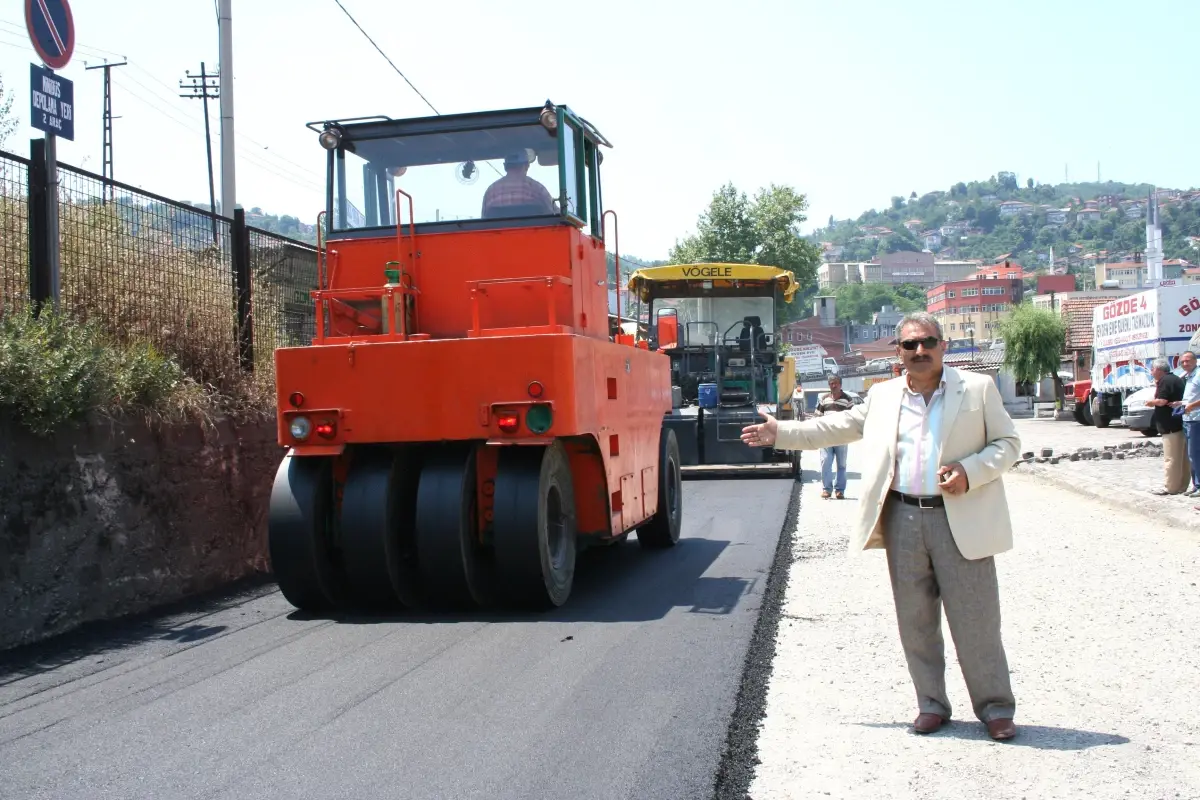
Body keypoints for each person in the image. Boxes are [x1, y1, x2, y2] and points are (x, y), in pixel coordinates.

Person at [740, 311, 1022, 742]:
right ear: (899, 352)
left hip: (960, 515)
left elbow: (1008, 444)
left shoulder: (977, 390)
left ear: (942, 346)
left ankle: (996, 709)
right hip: (904, 517)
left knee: (977, 619)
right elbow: (834, 427)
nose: (920, 351)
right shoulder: (884, 396)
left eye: (928, 342)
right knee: (915, 619)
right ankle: (931, 704)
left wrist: (971, 470)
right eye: (910, 345)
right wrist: (781, 432)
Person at [1147, 358, 1187, 495]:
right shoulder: (1176, 379)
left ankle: (1171, 487)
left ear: (1158, 369)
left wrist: (1151, 402)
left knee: (1171, 458)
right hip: (1180, 423)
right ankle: (1182, 486)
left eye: (1152, 369)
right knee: (1183, 458)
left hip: (1170, 425)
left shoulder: (1165, 381)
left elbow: (1162, 401)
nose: (1151, 372)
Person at [480, 151, 555, 218]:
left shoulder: (490, 191)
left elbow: (483, 221)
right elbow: (555, 214)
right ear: (527, 166)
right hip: (532, 233)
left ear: (505, 166)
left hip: (497, 233)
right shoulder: (537, 188)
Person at [815, 376, 854, 499]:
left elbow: (852, 418)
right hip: (826, 436)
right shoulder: (824, 399)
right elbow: (817, 416)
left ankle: (839, 490)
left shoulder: (848, 400)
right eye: (831, 384)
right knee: (826, 461)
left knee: (841, 464)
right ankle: (826, 489)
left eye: (836, 383)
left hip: (842, 437)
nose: (834, 386)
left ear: (840, 385)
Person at [1169, 351, 1200, 496]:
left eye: (1188, 361)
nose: (1185, 364)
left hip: (1196, 419)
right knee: (1191, 455)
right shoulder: (1189, 376)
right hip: (1188, 419)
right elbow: (1191, 398)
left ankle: (1199, 486)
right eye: (1182, 362)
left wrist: (1192, 406)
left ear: (1195, 361)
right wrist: (1180, 403)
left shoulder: (1199, 374)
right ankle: (1195, 485)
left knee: (1195, 453)